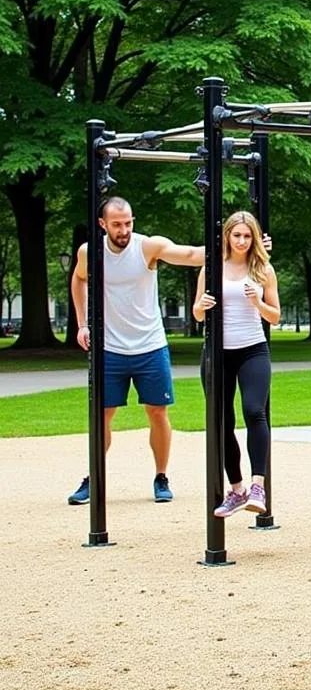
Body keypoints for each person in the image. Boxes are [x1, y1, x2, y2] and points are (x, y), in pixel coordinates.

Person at [67, 197, 205, 505]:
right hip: (110, 348)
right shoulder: (91, 252)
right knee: (102, 414)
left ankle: (161, 476)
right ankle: (94, 476)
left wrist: (237, 246)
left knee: (157, 412)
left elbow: (192, 254)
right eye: (117, 224)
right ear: (103, 224)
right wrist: (82, 323)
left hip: (150, 345)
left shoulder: (147, 247)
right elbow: (77, 279)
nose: (124, 229)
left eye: (128, 222)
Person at [192, 211, 280, 516]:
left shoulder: (262, 269)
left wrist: (258, 302)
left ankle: (258, 486)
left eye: (247, 236)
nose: (242, 241)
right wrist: (201, 307)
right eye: (237, 235)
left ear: (254, 238)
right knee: (222, 420)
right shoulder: (212, 268)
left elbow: (275, 316)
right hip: (217, 353)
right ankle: (237, 489)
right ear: (227, 236)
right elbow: (197, 312)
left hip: (252, 349)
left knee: (255, 411)